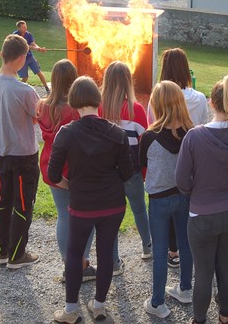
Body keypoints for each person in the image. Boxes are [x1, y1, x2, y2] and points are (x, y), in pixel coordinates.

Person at [49, 76, 133, 323]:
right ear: (98, 100)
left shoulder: (66, 133)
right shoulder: (117, 133)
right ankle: (98, 305)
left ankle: (71, 310)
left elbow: (53, 175)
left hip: (82, 204)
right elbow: (127, 173)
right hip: (112, 203)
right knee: (105, 253)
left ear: (74, 101)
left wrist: (72, 186)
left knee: (75, 253)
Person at [176, 75, 228, 324]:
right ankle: (226, 316)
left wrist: (196, 193)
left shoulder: (194, 137)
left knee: (204, 273)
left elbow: (182, 180)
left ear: (211, 103)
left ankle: (199, 319)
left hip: (202, 214)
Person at [0, 34, 42, 269]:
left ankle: (3, 251)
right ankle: (17, 255)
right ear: (22, 59)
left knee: (3, 202)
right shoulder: (24, 90)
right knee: (22, 205)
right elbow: (38, 117)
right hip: (23, 157)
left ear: (2, 54)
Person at [38, 59, 95, 281]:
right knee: (85, 218)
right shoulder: (75, 110)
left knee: (64, 215)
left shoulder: (43, 106)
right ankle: (81, 264)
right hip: (76, 169)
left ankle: (68, 264)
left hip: (52, 167)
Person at [141, 81, 194, 318]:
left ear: (157, 105)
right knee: (185, 243)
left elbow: (141, 164)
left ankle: (157, 302)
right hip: (184, 195)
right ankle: (185, 288)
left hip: (159, 198)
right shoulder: (192, 134)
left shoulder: (149, 136)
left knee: (161, 249)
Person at [152, 47, 209, 269]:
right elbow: (202, 126)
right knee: (186, 206)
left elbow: (152, 127)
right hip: (191, 157)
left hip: (164, 159)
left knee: (165, 207)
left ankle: (172, 250)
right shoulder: (199, 99)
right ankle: (186, 248)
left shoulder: (157, 96)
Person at [100, 61, 152, 267]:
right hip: (132, 172)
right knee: (140, 210)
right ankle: (148, 246)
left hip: (107, 174)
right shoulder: (136, 110)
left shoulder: (99, 108)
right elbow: (144, 144)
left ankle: (113, 261)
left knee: (110, 217)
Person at [13, 20, 50, 95]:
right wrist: (36, 48)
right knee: (25, 78)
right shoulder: (15, 36)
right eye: (23, 27)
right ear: (19, 28)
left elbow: (33, 43)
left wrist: (39, 48)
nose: (25, 28)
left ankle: (47, 89)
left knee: (39, 72)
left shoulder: (28, 34)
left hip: (30, 57)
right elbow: (24, 47)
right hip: (21, 59)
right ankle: (16, 90)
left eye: (26, 26)